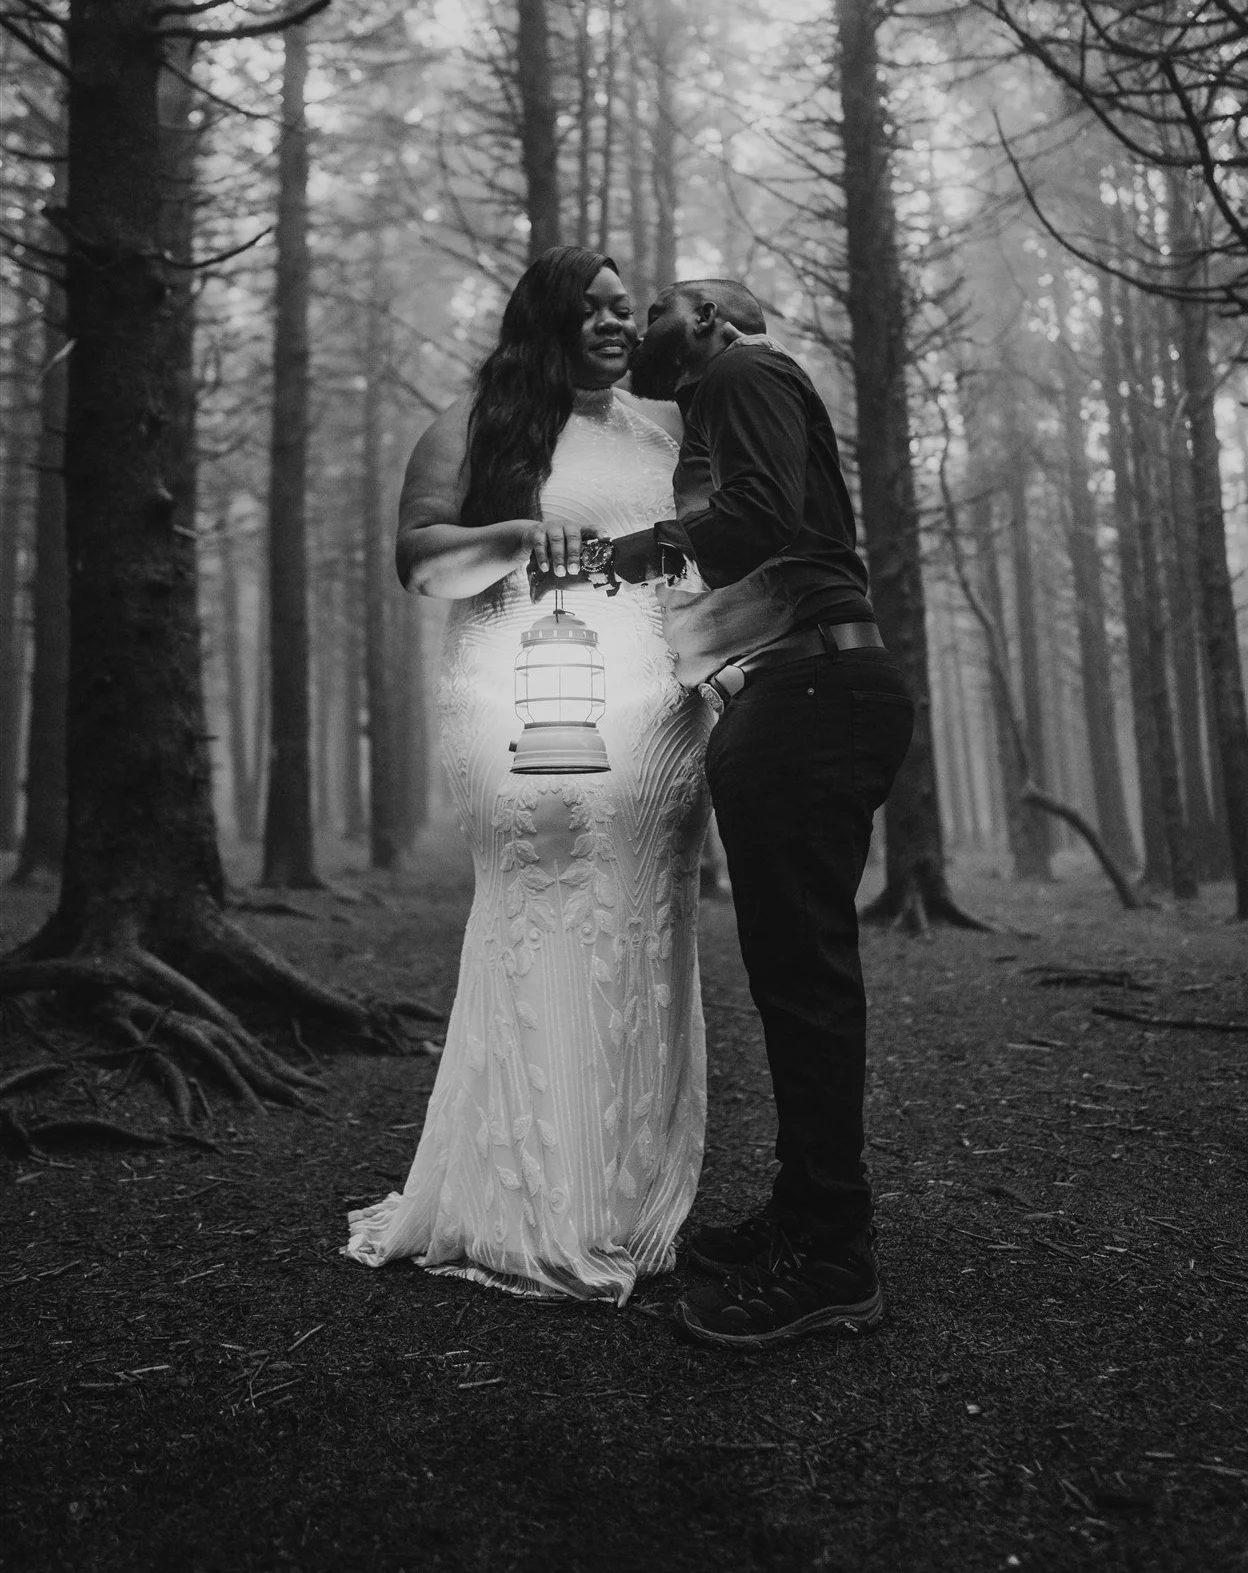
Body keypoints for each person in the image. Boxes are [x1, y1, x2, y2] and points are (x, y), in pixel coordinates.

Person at [345, 248, 713, 1305]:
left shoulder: (667, 432)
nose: (615, 322)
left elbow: (708, 555)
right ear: (543, 318)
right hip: (525, 702)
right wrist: (514, 535)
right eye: (591, 307)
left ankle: (626, 1202)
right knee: (546, 914)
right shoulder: (474, 424)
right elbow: (419, 560)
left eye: (624, 308)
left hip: (660, 710)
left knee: (646, 924)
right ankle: (534, 1202)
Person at [617, 280, 915, 1349]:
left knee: (806, 978)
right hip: (798, 689)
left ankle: (833, 1255)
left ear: (704, 314)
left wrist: (645, 547)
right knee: (793, 975)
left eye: (655, 307)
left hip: (814, 690)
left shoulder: (739, 370)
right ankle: (804, 1211)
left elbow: (756, 518)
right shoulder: (729, 393)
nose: (637, 328)